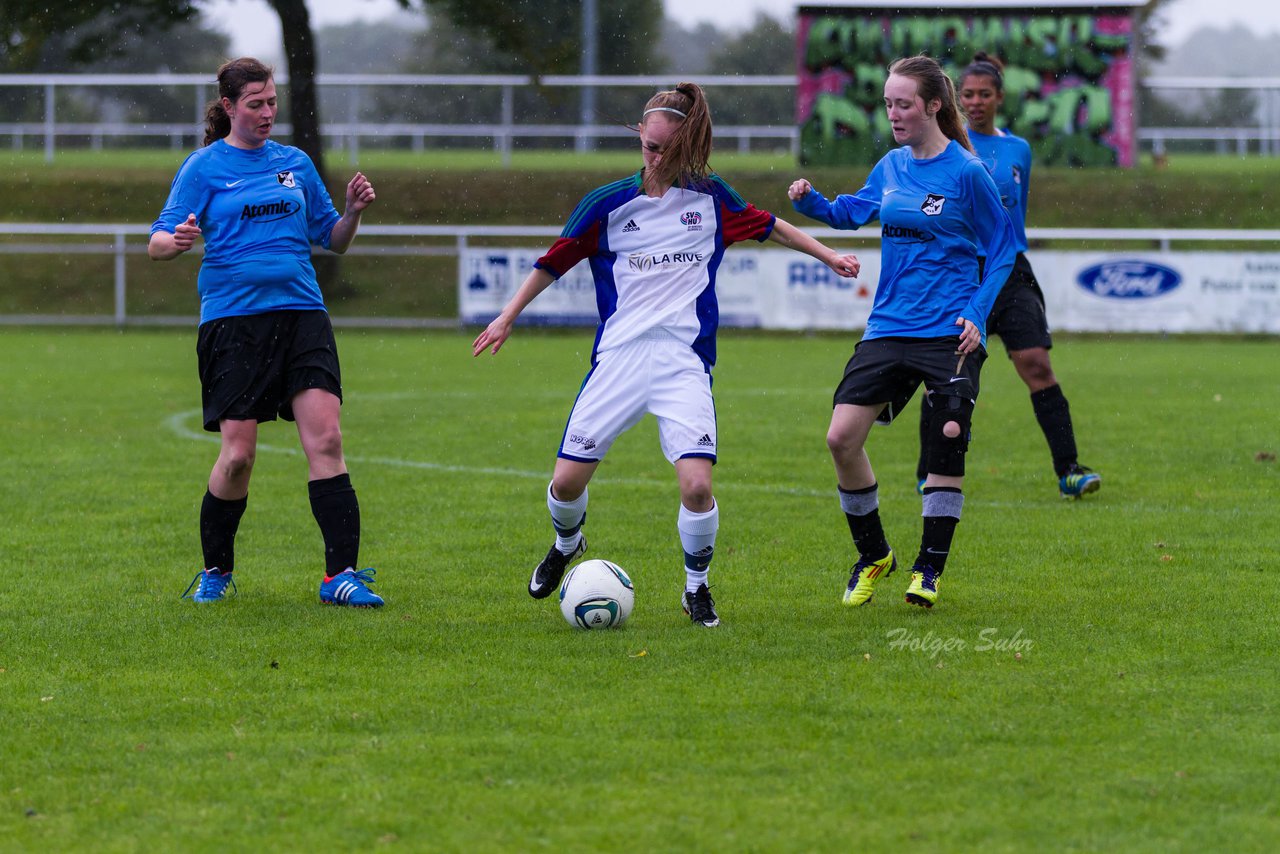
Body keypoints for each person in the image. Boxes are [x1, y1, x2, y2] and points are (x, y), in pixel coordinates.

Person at [473, 82, 860, 627]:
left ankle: (696, 587)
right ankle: (567, 543)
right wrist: (507, 314)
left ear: (686, 149)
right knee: (564, 485)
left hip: (683, 361)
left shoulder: (709, 198)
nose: (655, 158)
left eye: (666, 151)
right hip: (619, 361)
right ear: (640, 136)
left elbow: (770, 225)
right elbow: (552, 262)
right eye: (649, 146)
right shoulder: (606, 205)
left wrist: (827, 256)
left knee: (698, 485)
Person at [150, 57, 384, 607]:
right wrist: (177, 241)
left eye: (271, 101)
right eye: (254, 103)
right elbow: (157, 241)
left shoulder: (295, 163)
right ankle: (216, 571)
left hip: (302, 314)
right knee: (239, 456)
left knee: (326, 438)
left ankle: (340, 577)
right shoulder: (203, 168)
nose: (266, 113)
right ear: (229, 107)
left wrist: (351, 212)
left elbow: (333, 238)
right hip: (233, 322)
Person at [788, 54, 1017, 609]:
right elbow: (853, 213)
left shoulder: (967, 171)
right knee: (841, 438)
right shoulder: (890, 166)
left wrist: (978, 315)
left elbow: (1005, 248)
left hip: (948, 330)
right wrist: (812, 202)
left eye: (904, 104)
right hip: (889, 325)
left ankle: (928, 571)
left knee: (948, 437)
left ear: (933, 105)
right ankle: (874, 557)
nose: (893, 113)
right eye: (888, 103)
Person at [913, 52, 1101, 499]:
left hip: (1011, 272)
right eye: (969, 95)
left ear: (1000, 97)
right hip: (962, 274)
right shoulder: (945, 148)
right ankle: (929, 471)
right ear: (956, 99)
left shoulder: (1018, 149)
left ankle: (1069, 470)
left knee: (1037, 364)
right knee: (947, 372)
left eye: (984, 94)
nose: (975, 102)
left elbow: (1013, 218)